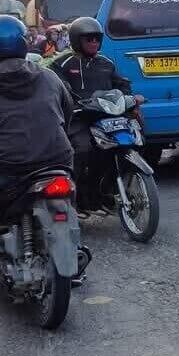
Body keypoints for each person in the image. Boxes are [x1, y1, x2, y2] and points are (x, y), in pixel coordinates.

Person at [0, 15, 74, 246]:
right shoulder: (50, 77)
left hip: (7, 166)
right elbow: (67, 113)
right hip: (58, 160)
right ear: (25, 42)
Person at [50, 17, 135, 213]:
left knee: (126, 143)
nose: (94, 42)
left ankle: (106, 191)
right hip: (78, 118)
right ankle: (74, 196)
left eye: (97, 38)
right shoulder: (61, 64)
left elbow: (122, 84)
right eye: (88, 39)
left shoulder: (106, 63)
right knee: (83, 149)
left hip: (105, 117)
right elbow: (54, 88)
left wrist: (131, 98)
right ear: (76, 40)